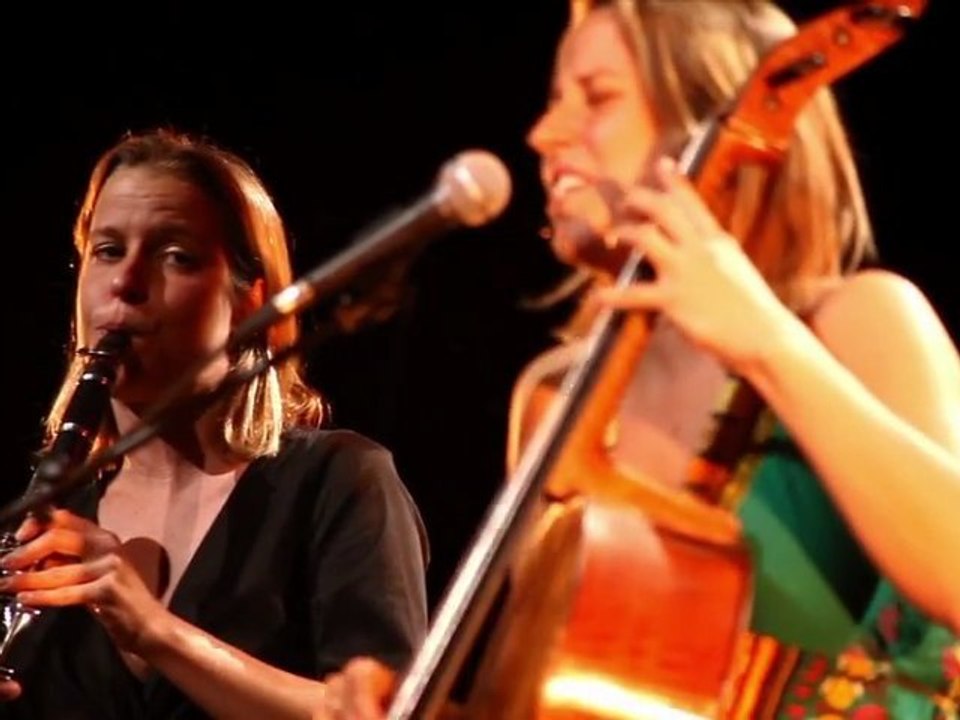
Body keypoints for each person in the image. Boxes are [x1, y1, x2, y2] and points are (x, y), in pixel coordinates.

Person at [317, 0, 960, 718]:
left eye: (596, 98)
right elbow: (554, 698)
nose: (543, 134)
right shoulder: (556, 400)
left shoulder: (853, 318)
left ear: (709, 126)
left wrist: (768, 344)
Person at [0, 128, 430, 719]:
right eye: (107, 251)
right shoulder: (43, 514)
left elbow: (390, 713)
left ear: (249, 305)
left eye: (175, 256)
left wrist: (153, 629)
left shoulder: (338, 482)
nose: (125, 283)